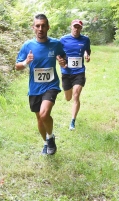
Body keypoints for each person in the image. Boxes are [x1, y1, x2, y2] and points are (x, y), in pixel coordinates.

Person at [15, 14, 67, 155]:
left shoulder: (56, 44)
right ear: (33, 28)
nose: (40, 28)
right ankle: (46, 142)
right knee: (39, 119)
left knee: (44, 114)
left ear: (48, 27)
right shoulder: (27, 46)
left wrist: (63, 62)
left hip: (51, 86)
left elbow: (64, 58)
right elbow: (17, 66)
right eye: (37, 26)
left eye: (43, 25)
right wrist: (26, 62)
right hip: (35, 88)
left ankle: (50, 139)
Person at [59, 19, 91, 130]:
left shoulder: (85, 39)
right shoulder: (63, 39)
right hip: (66, 72)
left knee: (76, 95)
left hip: (79, 71)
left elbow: (87, 50)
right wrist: (60, 60)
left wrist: (87, 55)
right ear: (71, 27)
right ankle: (68, 92)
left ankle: (72, 121)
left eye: (78, 27)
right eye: (74, 26)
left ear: (81, 28)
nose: (76, 29)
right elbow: (57, 54)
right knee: (68, 98)